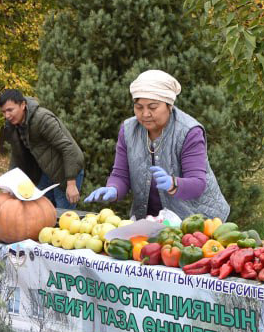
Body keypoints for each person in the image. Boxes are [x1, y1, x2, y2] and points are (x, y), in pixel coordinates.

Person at [85, 69, 229, 221]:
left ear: (169, 105)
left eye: (152, 107)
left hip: (195, 220)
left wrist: (173, 184)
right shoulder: (128, 130)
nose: (145, 114)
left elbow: (197, 184)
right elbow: (121, 175)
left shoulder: (189, 131)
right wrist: (113, 188)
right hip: (153, 218)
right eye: (139, 107)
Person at [0, 89, 85, 209]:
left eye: (10, 110)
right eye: (3, 112)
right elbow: (16, 155)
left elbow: (67, 148)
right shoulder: (13, 125)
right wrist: (9, 183)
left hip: (66, 170)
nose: (7, 116)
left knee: (62, 216)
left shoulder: (42, 119)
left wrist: (71, 183)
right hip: (46, 171)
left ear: (23, 105)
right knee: (39, 211)